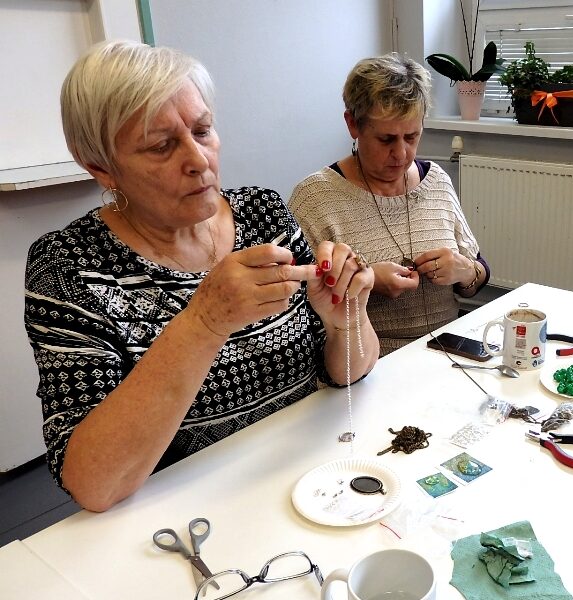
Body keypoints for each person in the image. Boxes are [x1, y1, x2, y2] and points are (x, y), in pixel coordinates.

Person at [24, 40, 379, 512]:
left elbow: (349, 374)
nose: (198, 159)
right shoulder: (68, 269)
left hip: (307, 482)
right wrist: (204, 323)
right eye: (161, 145)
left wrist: (346, 319)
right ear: (101, 168)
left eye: (203, 130)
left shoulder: (263, 214)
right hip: (183, 514)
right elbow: (94, 483)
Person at [288, 54, 489, 356]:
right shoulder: (316, 198)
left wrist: (466, 271)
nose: (402, 153)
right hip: (369, 366)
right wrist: (366, 285)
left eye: (412, 136)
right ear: (352, 124)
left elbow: (478, 274)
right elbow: (292, 311)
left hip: (449, 352)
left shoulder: (436, 181)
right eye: (386, 139)